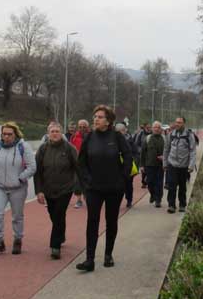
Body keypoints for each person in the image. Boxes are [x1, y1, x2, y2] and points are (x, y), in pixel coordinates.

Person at [75, 105, 132, 272]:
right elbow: (81, 162)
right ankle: (89, 260)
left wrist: (123, 179)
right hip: (94, 188)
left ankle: (108, 255)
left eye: (100, 117)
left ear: (108, 121)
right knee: (92, 221)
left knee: (111, 221)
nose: (96, 119)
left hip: (114, 188)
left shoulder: (117, 137)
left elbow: (128, 157)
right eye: (95, 116)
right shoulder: (89, 137)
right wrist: (87, 181)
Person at [0, 122, 36, 256]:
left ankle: (18, 239)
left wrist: (21, 178)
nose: (6, 137)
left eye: (9, 134)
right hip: (0, 186)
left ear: (15, 134)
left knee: (17, 216)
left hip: (18, 188)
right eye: (4, 134)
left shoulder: (23, 147)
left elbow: (32, 167)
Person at [34, 122, 79, 259]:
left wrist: (79, 186)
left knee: (59, 214)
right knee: (54, 215)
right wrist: (39, 191)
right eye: (52, 131)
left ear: (61, 133)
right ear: (48, 134)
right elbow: (38, 172)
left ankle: (55, 246)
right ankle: (61, 234)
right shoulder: (43, 149)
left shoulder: (69, 148)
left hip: (65, 188)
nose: (55, 134)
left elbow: (78, 167)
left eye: (57, 131)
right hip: (48, 189)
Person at [163, 116, 196, 214]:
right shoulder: (171, 134)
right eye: (176, 122)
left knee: (182, 186)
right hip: (172, 165)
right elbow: (166, 149)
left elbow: (192, 151)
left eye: (180, 122)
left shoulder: (189, 135)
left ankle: (182, 204)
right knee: (171, 186)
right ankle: (171, 205)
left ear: (184, 124)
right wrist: (165, 163)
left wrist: (191, 165)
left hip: (183, 166)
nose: (177, 124)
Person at [139, 120, 165, 208]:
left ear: (161, 129)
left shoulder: (164, 138)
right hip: (149, 165)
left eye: (158, 127)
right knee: (150, 182)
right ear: (152, 129)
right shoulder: (148, 138)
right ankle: (153, 194)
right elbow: (143, 153)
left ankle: (158, 200)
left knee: (159, 183)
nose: (157, 129)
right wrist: (141, 165)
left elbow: (168, 151)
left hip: (160, 165)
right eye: (155, 127)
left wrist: (164, 157)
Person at [115, 122, 136, 208]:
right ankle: (116, 201)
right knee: (117, 186)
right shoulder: (113, 140)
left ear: (125, 131)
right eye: (118, 131)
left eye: (122, 131)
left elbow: (135, 152)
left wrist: (135, 161)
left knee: (128, 184)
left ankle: (129, 200)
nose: (121, 132)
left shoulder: (129, 140)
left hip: (128, 165)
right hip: (116, 166)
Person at [70, 119, 89, 208]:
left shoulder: (91, 135)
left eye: (84, 127)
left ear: (87, 127)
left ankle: (87, 197)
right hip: (77, 163)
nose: (82, 128)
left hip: (89, 163)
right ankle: (79, 200)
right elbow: (70, 149)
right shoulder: (74, 136)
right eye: (80, 127)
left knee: (88, 182)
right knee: (77, 182)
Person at [133, 123, 152, 188]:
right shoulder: (140, 134)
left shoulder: (152, 134)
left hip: (150, 155)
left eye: (150, 127)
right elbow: (136, 144)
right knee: (143, 169)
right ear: (144, 128)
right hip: (142, 154)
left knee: (149, 168)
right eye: (147, 127)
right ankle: (144, 182)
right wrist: (141, 150)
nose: (149, 129)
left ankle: (149, 181)